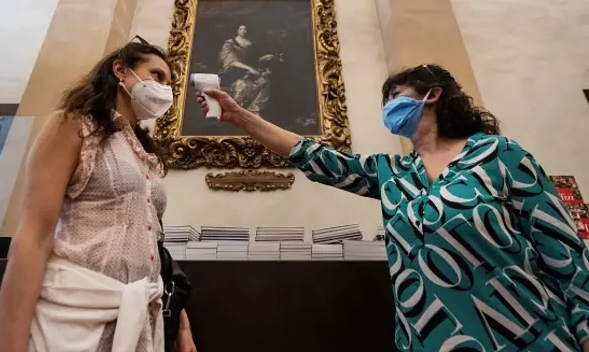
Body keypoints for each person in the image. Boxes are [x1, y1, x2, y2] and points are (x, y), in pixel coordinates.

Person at [197, 64, 589, 352]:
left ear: (432, 95)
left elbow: (564, 252)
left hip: (528, 335)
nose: (387, 109)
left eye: (394, 97)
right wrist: (239, 116)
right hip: (432, 339)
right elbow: (315, 157)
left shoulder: (498, 155)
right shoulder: (395, 173)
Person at [0, 37, 197, 352]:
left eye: (169, 83)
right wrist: (10, 346)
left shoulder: (147, 154)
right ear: (121, 70)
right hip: (75, 314)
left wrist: (183, 326)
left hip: (142, 313)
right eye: (157, 75)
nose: (164, 88)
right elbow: (34, 235)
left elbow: (155, 246)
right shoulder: (74, 125)